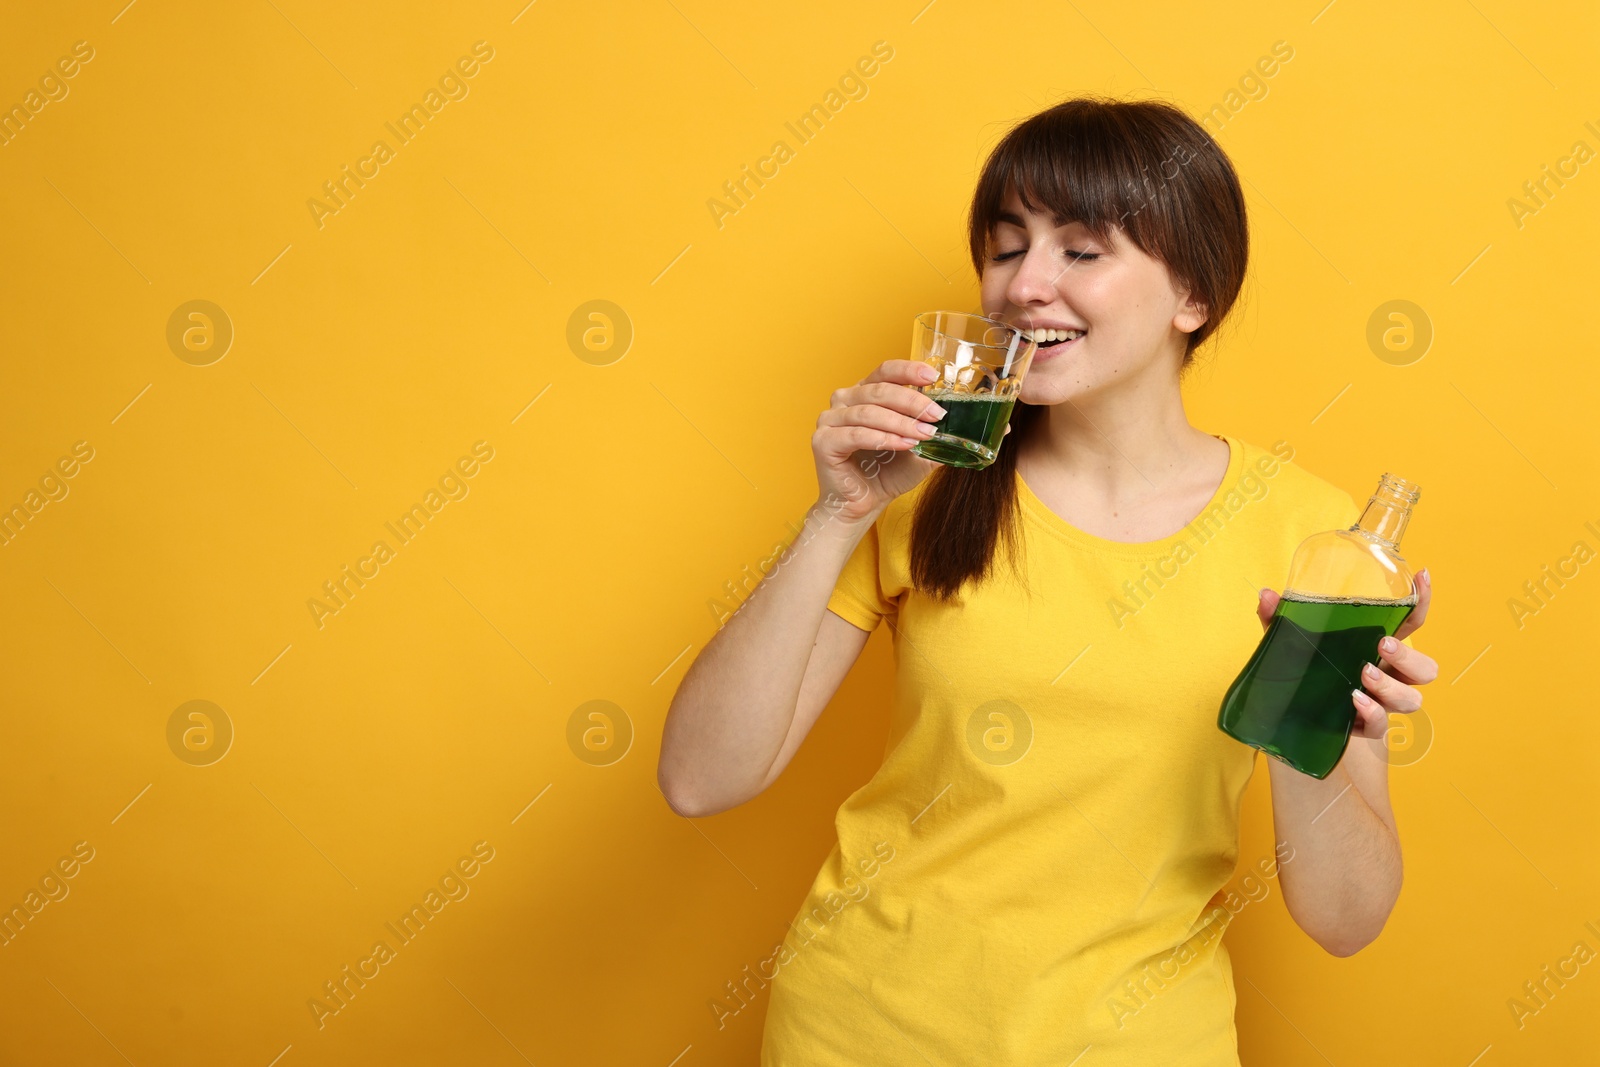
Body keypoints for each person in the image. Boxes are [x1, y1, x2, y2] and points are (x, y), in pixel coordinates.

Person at [658, 95, 1438, 1066]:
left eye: (1080, 250)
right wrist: (836, 515)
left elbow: (1345, 917)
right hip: (862, 1032)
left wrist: (1300, 716)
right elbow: (700, 778)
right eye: (1005, 245)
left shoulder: (1317, 542)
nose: (1025, 285)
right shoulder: (923, 489)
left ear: (1192, 294)